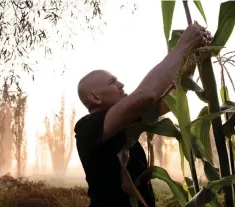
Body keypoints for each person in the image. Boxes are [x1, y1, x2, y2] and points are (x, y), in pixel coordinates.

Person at [74, 22, 212, 207]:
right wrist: (182, 48)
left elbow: (171, 99)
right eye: (112, 82)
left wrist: (192, 57)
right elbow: (146, 95)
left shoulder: (126, 125)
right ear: (95, 97)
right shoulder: (88, 127)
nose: (121, 84)